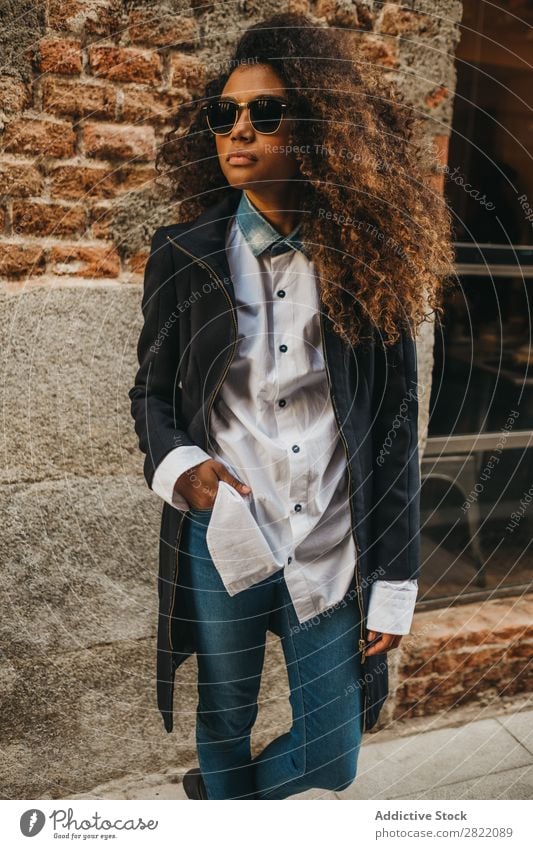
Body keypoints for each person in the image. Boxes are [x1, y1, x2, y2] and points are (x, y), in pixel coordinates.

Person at [128, 12, 454, 800]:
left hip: (330, 544)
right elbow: (150, 392)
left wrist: (396, 582)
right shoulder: (184, 253)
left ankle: (220, 803)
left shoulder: (367, 260)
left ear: (316, 130)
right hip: (227, 534)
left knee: (329, 755)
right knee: (224, 720)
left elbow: (395, 433)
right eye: (224, 113)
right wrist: (184, 470)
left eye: (264, 113)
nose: (238, 130)